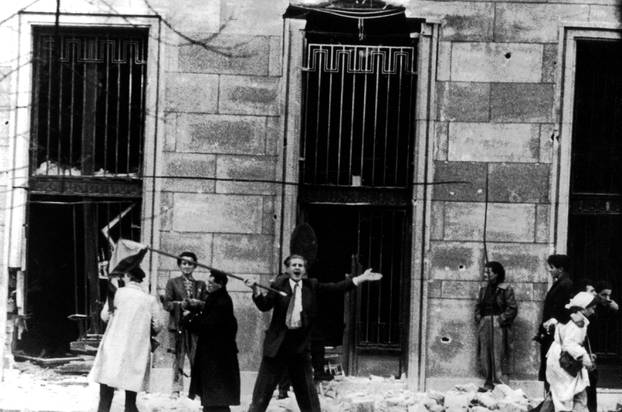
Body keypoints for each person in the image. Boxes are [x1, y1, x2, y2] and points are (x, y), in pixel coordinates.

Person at [245, 254, 382, 412]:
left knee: (308, 399)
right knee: (261, 397)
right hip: (277, 348)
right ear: (287, 269)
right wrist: (255, 290)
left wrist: (360, 278)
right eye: (294, 265)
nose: (297, 267)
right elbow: (264, 305)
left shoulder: (312, 286)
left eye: (300, 265)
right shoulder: (278, 285)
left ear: (304, 270)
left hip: (299, 348)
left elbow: (336, 288)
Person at [90, 266, 162, 412]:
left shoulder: (116, 294)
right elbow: (158, 325)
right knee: (131, 388)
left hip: (114, 343)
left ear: (128, 276)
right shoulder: (149, 299)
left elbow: (104, 316)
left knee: (106, 383)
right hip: (137, 346)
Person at [186, 270, 240, 412]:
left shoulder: (221, 301)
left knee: (215, 395)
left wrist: (188, 318)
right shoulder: (217, 298)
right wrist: (199, 305)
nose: (208, 285)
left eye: (211, 283)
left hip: (216, 357)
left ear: (220, 284)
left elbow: (207, 325)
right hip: (216, 355)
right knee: (215, 397)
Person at [163, 251, 207, 396]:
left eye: (190, 263)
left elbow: (207, 304)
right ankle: (176, 389)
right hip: (178, 326)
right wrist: (180, 305)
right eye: (184, 263)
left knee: (196, 357)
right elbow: (167, 304)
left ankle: (197, 389)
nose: (187, 266)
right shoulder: (173, 282)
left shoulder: (200, 284)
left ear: (195, 266)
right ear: (180, 265)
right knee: (178, 357)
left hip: (194, 327)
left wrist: (196, 304)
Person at [546, 291, 597, 412]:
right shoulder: (577, 322)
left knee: (562, 394)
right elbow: (570, 344)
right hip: (564, 362)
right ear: (584, 308)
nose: (593, 311)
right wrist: (585, 357)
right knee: (568, 396)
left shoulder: (567, 316)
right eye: (592, 308)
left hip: (558, 358)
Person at [475, 261, 518, 390]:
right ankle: (488, 382)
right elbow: (477, 307)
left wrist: (500, 320)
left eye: (489, 272)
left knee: (498, 353)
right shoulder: (483, 289)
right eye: (484, 272)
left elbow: (512, 308)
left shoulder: (506, 289)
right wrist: (479, 319)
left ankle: (500, 384)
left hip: (498, 324)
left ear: (497, 274)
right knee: (484, 354)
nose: (485, 274)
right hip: (485, 323)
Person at [536, 254, 574, 390]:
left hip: (554, 333)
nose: (549, 270)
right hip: (550, 331)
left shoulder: (565, 284)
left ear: (561, 269)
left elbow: (560, 310)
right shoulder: (560, 283)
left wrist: (551, 323)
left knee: (552, 367)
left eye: (552, 267)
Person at [584, 280, 619, 412]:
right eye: (604, 295)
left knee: (592, 382)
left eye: (609, 295)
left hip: (595, 350)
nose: (607, 299)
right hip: (587, 349)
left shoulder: (606, 308)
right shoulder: (589, 308)